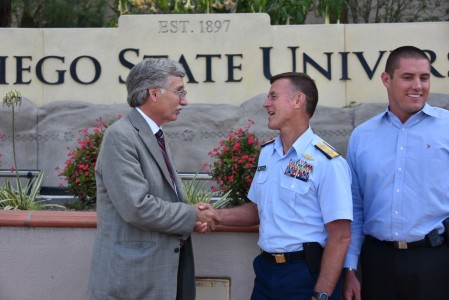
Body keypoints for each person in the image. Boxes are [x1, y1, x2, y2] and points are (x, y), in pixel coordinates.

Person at [211, 72, 353, 300]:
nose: (266, 103)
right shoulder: (268, 153)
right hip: (266, 273)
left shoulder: (327, 162)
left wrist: (322, 293)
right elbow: (255, 210)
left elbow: (341, 236)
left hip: (305, 274)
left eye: (273, 96)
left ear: (298, 101)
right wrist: (216, 215)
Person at [88, 58, 215, 300]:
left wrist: (192, 214)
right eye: (179, 91)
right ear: (154, 93)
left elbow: (162, 197)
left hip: (158, 277)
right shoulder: (120, 136)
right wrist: (192, 215)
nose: (185, 101)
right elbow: (137, 207)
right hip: (133, 283)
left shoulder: (153, 134)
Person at [342, 46, 449, 300]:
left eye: (424, 77)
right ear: (386, 80)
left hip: (435, 261)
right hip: (377, 263)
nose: (418, 86)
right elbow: (355, 209)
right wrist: (349, 268)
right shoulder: (362, 137)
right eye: (408, 77)